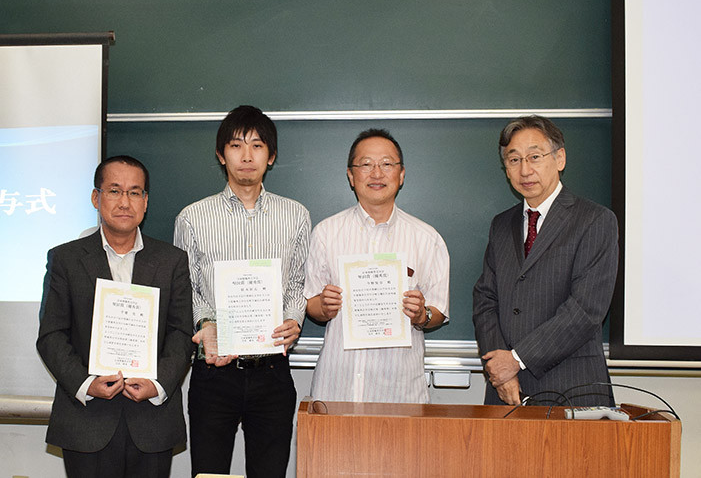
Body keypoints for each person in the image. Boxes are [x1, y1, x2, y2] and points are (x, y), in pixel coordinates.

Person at [173, 105, 310, 477]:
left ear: (272, 155)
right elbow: (186, 287)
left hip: (272, 373)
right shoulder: (192, 217)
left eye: (257, 145)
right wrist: (206, 324)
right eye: (236, 145)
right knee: (210, 474)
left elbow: (297, 283)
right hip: (214, 372)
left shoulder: (295, 215)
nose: (247, 156)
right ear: (221, 155)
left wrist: (294, 320)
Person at [36, 155, 193, 478]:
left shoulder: (172, 261)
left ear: (146, 202)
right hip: (86, 421)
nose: (125, 202)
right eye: (114, 191)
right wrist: (86, 384)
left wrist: (158, 383)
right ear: (96, 197)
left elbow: (181, 333)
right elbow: (51, 335)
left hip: (152, 420)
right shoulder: (65, 259)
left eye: (135, 192)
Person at [473, 115, 618, 407]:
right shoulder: (501, 225)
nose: (525, 169)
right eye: (513, 160)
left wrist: (516, 359)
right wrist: (501, 370)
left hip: (572, 388)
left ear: (560, 158)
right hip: (506, 391)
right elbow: (485, 299)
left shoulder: (595, 220)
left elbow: (586, 310)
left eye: (535, 157)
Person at [304, 128, 449, 403]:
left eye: (386, 164)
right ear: (351, 175)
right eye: (366, 164)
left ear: (401, 174)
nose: (377, 173)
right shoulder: (326, 233)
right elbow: (311, 303)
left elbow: (439, 311)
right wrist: (323, 306)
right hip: (336, 390)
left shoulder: (427, 238)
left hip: (401, 392)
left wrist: (421, 315)